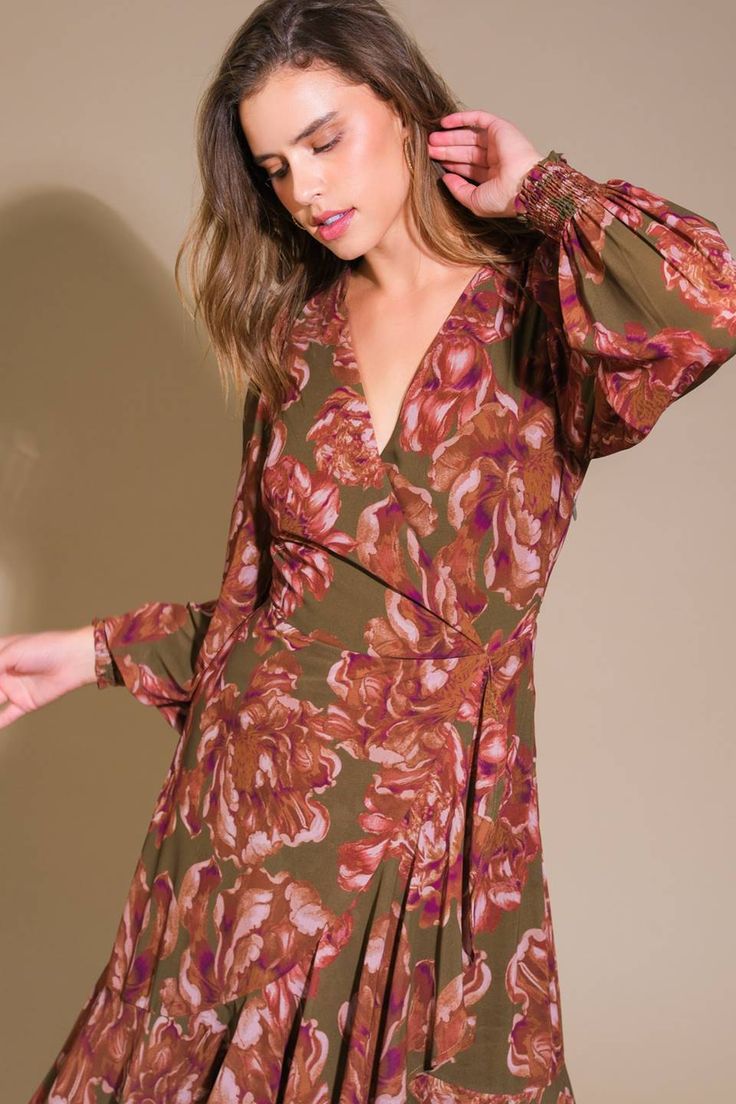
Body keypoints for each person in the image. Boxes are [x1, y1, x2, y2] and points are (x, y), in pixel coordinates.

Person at [5, 0, 735, 1101]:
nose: (305, 191)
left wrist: (540, 187)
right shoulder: (295, 343)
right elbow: (275, 622)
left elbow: (704, 299)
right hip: (241, 835)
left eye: (324, 139)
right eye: (275, 168)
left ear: (402, 109)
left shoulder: (538, 306)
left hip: (435, 846)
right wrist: (100, 650)